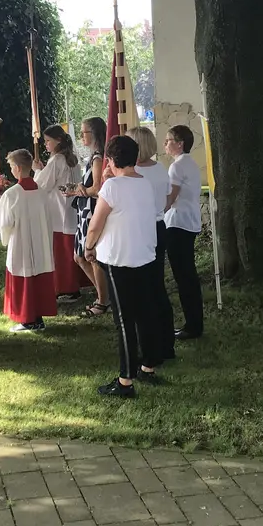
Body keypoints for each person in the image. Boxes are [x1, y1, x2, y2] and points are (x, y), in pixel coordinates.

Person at [84, 135, 164, 398]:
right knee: (145, 313)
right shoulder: (143, 183)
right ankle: (147, 366)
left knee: (124, 319)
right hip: (143, 254)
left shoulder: (112, 187)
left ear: (110, 159)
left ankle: (125, 380)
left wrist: (89, 246)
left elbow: (96, 224)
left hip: (120, 258)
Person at [0, 149, 59, 334]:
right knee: (38, 277)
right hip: (40, 242)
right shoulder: (41, 192)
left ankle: (27, 319)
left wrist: (5, 236)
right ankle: (37, 318)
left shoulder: (12, 194)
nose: (10, 170)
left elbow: (5, 223)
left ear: (17, 168)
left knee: (24, 277)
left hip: (21, 242)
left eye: (11, 167)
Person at [132, 127, 175, 362]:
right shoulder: (159, 169)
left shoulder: (135, 172)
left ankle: (151, 347)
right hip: (159, 225)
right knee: (157, 286)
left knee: (144, 289)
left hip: (143, 229)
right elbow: (168, 199)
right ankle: (167, 343)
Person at [33, 124, 86, 300]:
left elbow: (42, 185)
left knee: (62, 252)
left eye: (48, 141)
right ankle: (75, 284)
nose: (46, 144)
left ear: (59, 140)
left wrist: (37, 170)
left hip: (58, 211)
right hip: (71, 207)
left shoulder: (56, 160)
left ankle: (66, 287)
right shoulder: (73, 159)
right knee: (71, 247)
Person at [64, 117, 111, 317]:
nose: (82, 136)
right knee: (80, 256)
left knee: (90, 257)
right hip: (85, 210)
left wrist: (79, 191)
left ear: (95, 134)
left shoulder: (98, 157)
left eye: (84, 132)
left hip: (91, 210)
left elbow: (98, 188)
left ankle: (103, 300)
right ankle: (105, 295)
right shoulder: (93, 156)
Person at [163, 125, 205, 340]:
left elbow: (170, 200)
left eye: (169, 140)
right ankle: (194, 322)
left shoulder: (177, 167)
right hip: (187, 222)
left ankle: (193, 325)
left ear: (180, 143)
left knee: (184, 276)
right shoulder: (188, 163)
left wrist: (154, 212)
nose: (165, 144)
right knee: (187, 275)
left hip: (178, 224)